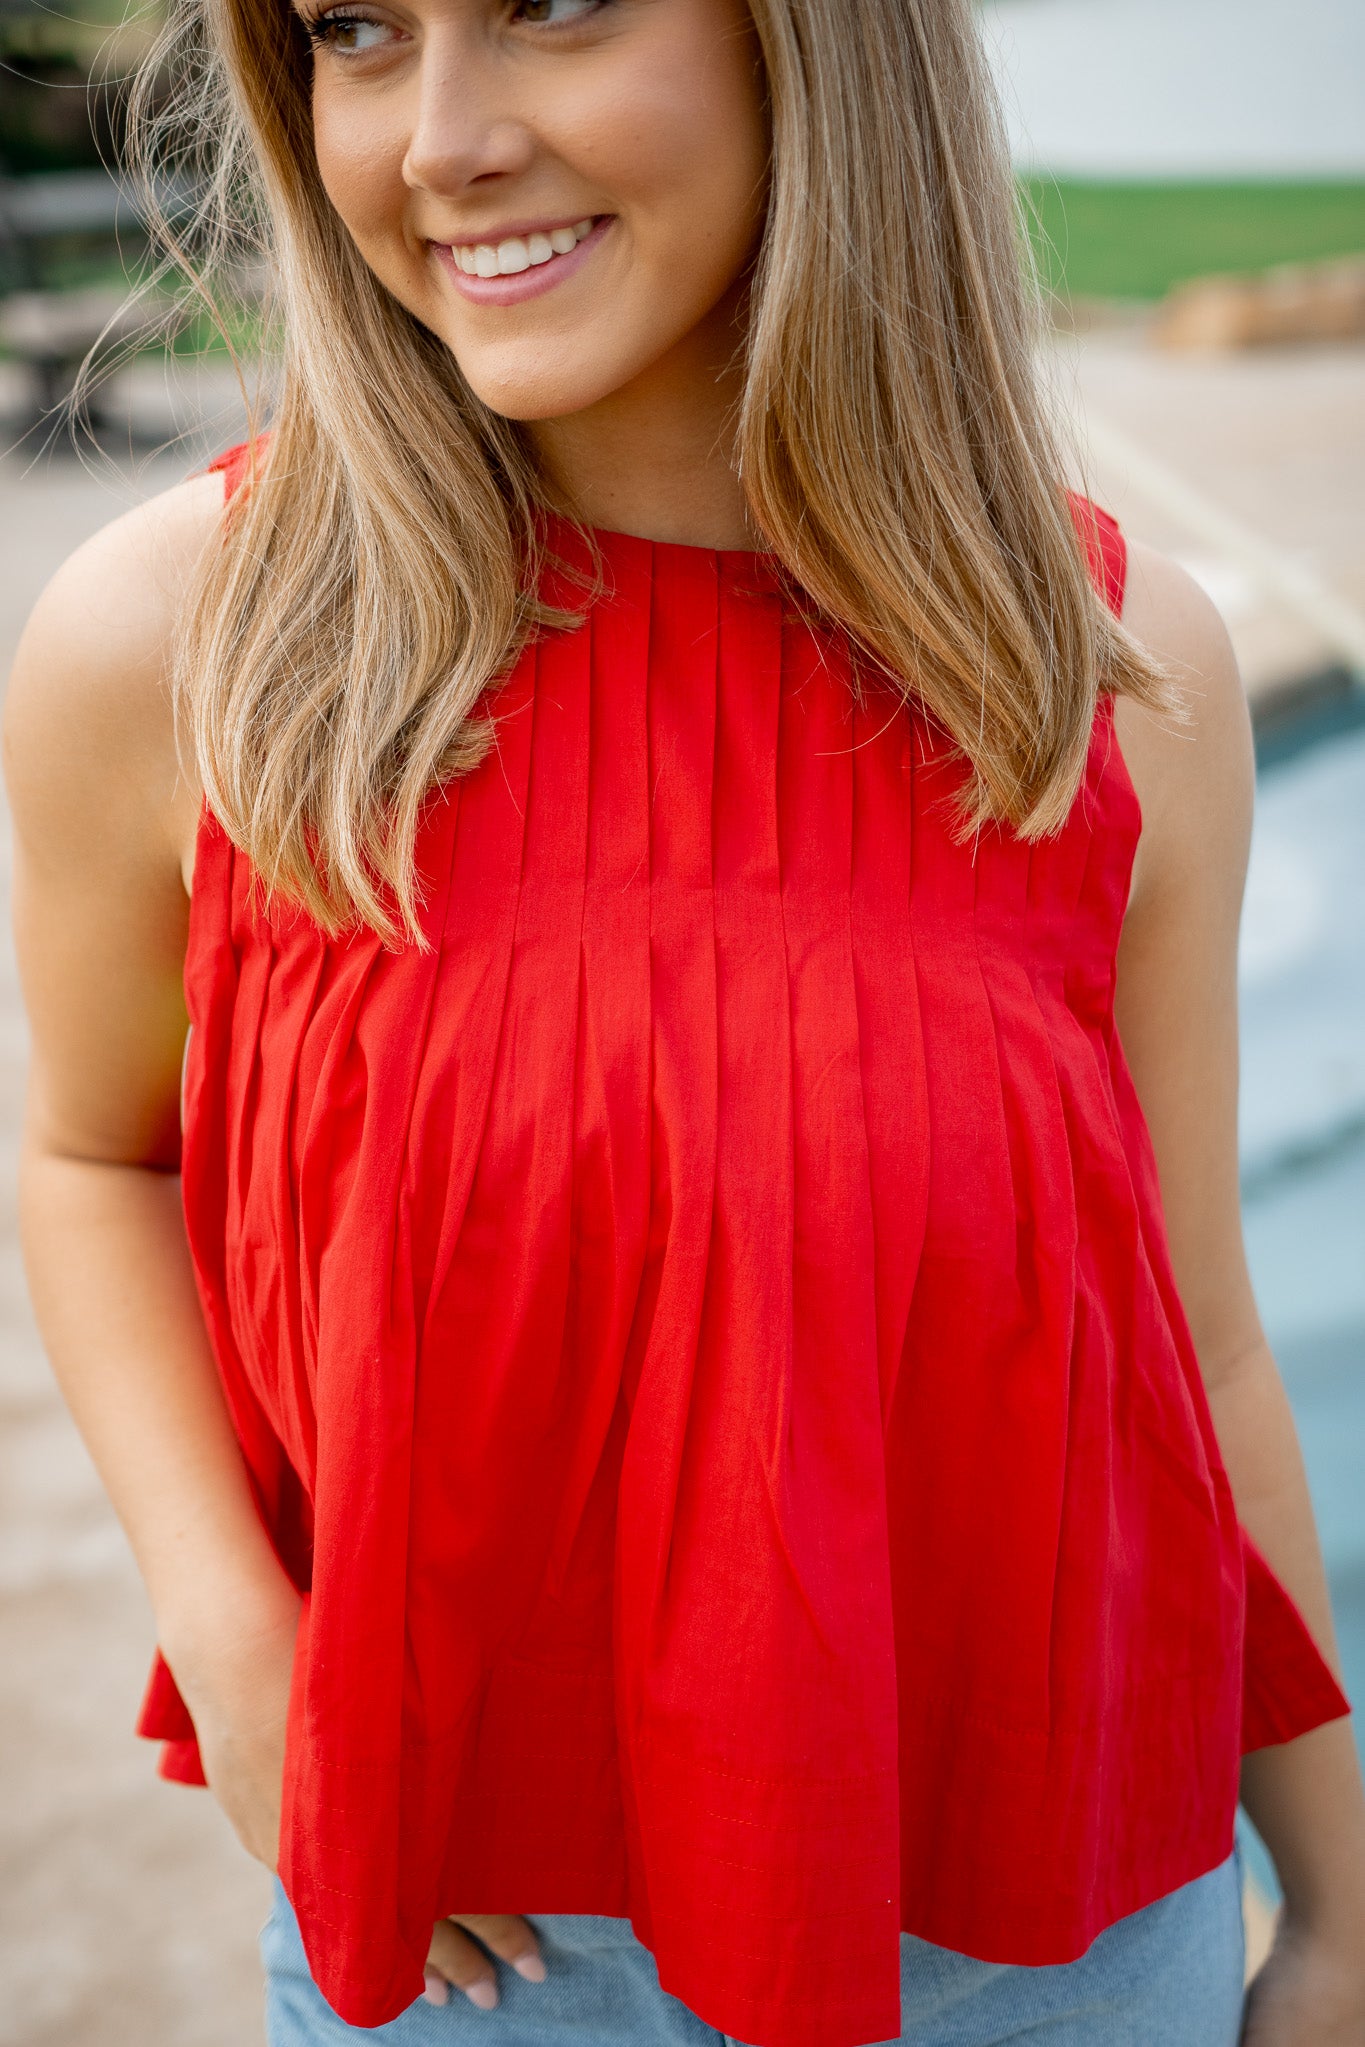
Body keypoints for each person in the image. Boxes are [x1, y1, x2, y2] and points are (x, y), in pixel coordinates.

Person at [6, 0, 1365, 2039]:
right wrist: (237, 1640)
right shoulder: (186, 641)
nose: (439, 138)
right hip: (475, 1946)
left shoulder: (1099, 674)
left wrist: (1336, 1905)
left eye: (551, 3)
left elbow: (1196, 1341)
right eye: (356, 29)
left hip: (1064, 1936)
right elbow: (92, 1154)